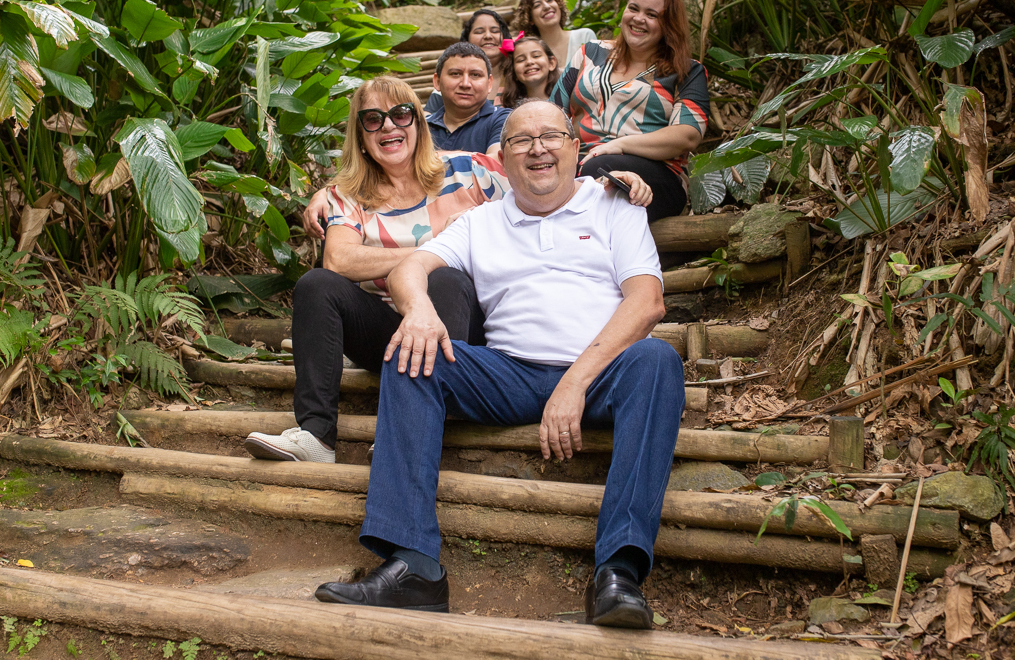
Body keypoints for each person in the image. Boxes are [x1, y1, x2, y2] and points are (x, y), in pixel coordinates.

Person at [314, 100, 684, 630]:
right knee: (412, 354)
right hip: (508, 371)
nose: (537, 149)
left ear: (575, 148)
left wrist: (575, 382)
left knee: (657, 358)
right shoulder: (481, 221)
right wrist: (418, 310)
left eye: (550, 136)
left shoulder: (614, 205)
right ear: (502, 161)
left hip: (603, 375)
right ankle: (414, 566)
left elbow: (647, 302)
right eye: (520, 141)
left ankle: (618, 572)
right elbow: (412, 268)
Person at [242, 76, 506, 465]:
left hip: (466, 330)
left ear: (418, 121)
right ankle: (316, 436)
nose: (388, 126)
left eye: (401, 114)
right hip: (393, 330)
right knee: (318, 283)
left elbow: (543, 186)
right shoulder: (347, 194)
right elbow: (339, 260)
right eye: (372, 119)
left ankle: (415, 426)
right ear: (360, 134)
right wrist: (432, 252)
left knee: (445, 279)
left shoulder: (469, 170)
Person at [299, 43, 510, 240]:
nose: (465, 83)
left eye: (475, 75)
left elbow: (491, 165)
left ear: (490, 83)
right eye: (455, 74)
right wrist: (328, 191)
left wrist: (413, 156)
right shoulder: (412, 124)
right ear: (436, 81)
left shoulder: (501, 119)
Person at [551, 0, 712, 223]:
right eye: (633, 9)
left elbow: (687, 135)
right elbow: (553, 112)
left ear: (668, 24)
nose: (638, 19)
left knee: (599, 170)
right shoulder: (589, 53)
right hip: (578, 164)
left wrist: (620, 145)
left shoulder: (687, 71)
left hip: (656, 174)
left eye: (652, 14)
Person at [426, 9, 512, 112]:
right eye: (479, 32)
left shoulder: (518, 77)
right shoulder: (451, 83)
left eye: (495, 31)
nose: (488, 36)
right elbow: (427, 117)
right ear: (467, 40)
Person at [512, 0, 597, 70]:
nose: (546, 6)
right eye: (537, 5)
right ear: (530, 19)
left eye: (549, 0)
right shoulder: (530, 54)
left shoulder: (585, 36)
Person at [502, 35, 560, 109]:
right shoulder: (510, 111)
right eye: (521, 60)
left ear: (551, 63)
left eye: (536, 56)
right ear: (513, 72)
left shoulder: (566, 104)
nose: (529, 62)